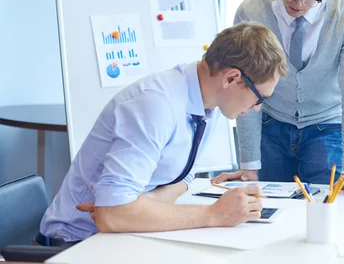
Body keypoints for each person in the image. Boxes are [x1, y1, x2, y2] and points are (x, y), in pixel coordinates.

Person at [38, 22, 288, 245]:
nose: (257, 108)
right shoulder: (156, 104)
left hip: (123, 237)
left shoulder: (207, 104)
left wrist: (138, 206)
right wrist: (214, 214)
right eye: (259, 98)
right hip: (75, 245)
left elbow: (182, 180)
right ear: (231, 78)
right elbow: (112, 215)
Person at [212, 0, 344, 197]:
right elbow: (245, 88)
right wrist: (249, 164)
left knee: (324, 208)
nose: (298, 4)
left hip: (327, 127)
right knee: (266, 209)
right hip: (270, 125)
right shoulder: (252, 12)